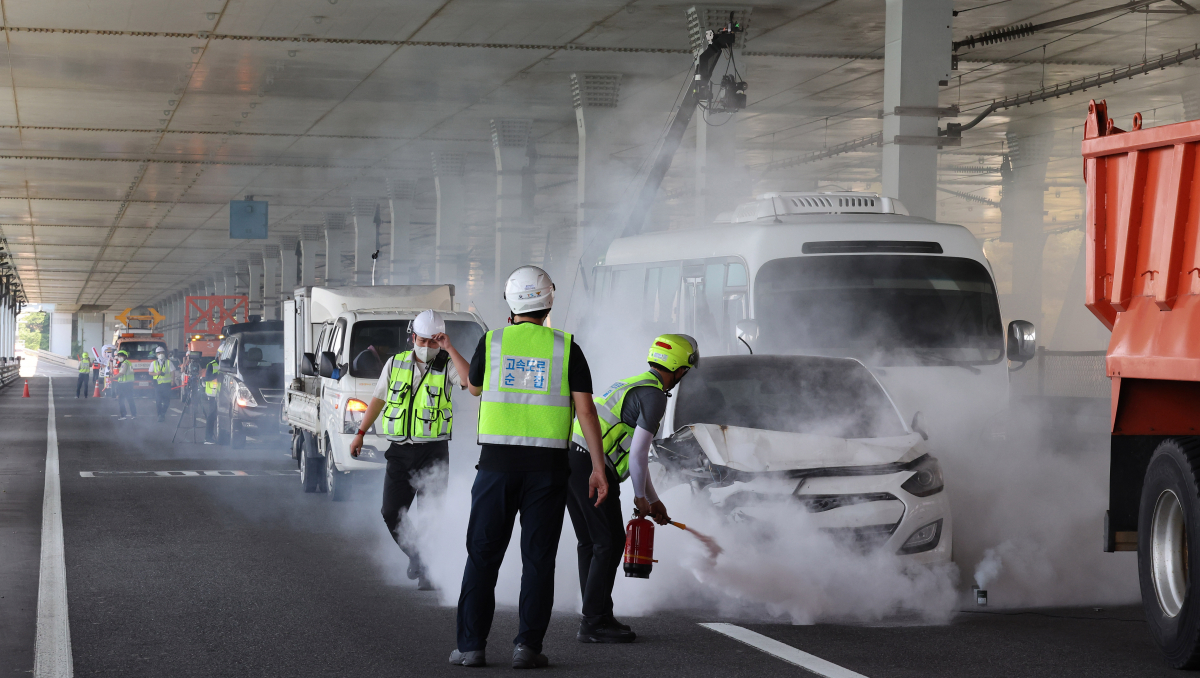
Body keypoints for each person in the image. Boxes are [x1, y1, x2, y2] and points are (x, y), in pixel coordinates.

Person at [449, 266, 609, 670]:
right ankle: (527, 647)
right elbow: (586, 411)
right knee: (538, 558)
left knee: (483, 555)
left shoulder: (494, 341)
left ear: (511, 302)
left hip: (496, 468)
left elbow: (475, 387)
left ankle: (471, 647)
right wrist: (597, 467)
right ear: (548, 301)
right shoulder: (566, 347)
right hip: (548, 471)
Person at [565, 334, 699, 643]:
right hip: (591, 467)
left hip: (573, 460)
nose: (685, 376)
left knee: (593, 541)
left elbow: (638, 459)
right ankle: (594, 622)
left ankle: (596, 614)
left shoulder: (637, 384)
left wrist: (654, 500)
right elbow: (638, 454)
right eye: (686, 370)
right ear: (678, 368)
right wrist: (641, 498)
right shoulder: (654, 397)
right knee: (608, 542)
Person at [348, 310, 470, 590]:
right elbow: (378, 400)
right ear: (413, 337)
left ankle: (429, 572)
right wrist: (360, 434)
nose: (427, 347)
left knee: (431, 517)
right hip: (400, 452)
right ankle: (418, 557)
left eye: (433, 341)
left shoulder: (447, 363)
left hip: (433, 453)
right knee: (391, 511)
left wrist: (449, 348)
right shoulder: (395, 363)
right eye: (423, 340)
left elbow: (469, 383)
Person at [149, 346, 176, 422]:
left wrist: (172, 380)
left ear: (164, 353)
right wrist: (156, 373)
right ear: (156, 354)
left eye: (162, 352)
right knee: (158, 401)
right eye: (159, 353)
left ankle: (163, 413)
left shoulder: (168, 362)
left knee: (167, 401)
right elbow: (150, 373)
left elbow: (172, 371)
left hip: (166, 384)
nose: (160, 354)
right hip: (158, 384)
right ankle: (160, 415)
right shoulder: (153, 363)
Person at [201, 357, 220, 444]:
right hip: (213, 394)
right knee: (211, 416)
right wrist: (216, 377)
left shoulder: (226, 364)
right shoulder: (212, 364)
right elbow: (207, 377)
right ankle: (208, 438)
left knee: (215, 416)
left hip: (221, 394)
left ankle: (212, 437)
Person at [115, 350, 137, 420]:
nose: (119, 357)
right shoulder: (128, 363)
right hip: (128, 384)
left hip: (124, 384)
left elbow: (121, 373)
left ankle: (123, 415)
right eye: (118, 356)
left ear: (125, 356)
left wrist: (113, 377)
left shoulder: (125, 364)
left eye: (121, 356)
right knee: (130, 399)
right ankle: (134, 415)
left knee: (121, 400)